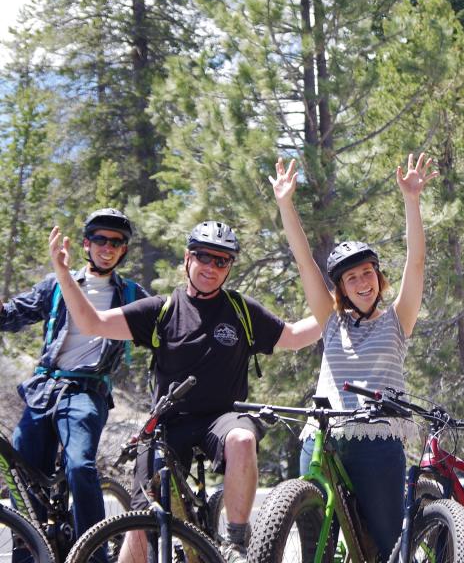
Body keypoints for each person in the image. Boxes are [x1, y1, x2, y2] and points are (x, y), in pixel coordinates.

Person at [47, 219, 324, 563]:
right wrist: (62, 273)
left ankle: (236, 543)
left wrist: (335, 306)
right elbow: (93, 323)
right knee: (141, 515)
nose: (211, 266)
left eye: (221, 260)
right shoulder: (161, 309)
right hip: (168, 422)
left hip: (223, 418)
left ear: (230, 267)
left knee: (242, 439)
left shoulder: (241, 311)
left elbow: (297, 336)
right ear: (187, 258)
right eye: (203, 257)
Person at [270, 153, 436, 562]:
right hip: (321, 439)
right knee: (315, 551)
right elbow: (305, 262)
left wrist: (411, 201)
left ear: (378, 278)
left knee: (384, 547)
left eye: (367, 273)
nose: (361, 282)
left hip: (376, 443)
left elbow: (416, 263)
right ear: (341, 287)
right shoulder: (331, 319)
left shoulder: (397, 320)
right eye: (351, 277)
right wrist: (285, 204)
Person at [1, 209, 148, 543]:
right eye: (100, 239)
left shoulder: (131, 295)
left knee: (80, 466)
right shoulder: (57, 284)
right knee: (22, 470)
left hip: (87, 390)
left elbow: (167, 329)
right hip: (44, 387)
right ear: (86, 243)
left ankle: (93, 552)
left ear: (123, 250)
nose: (108, 247)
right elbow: (12, 315)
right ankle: (31, 552)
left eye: (117, 242)